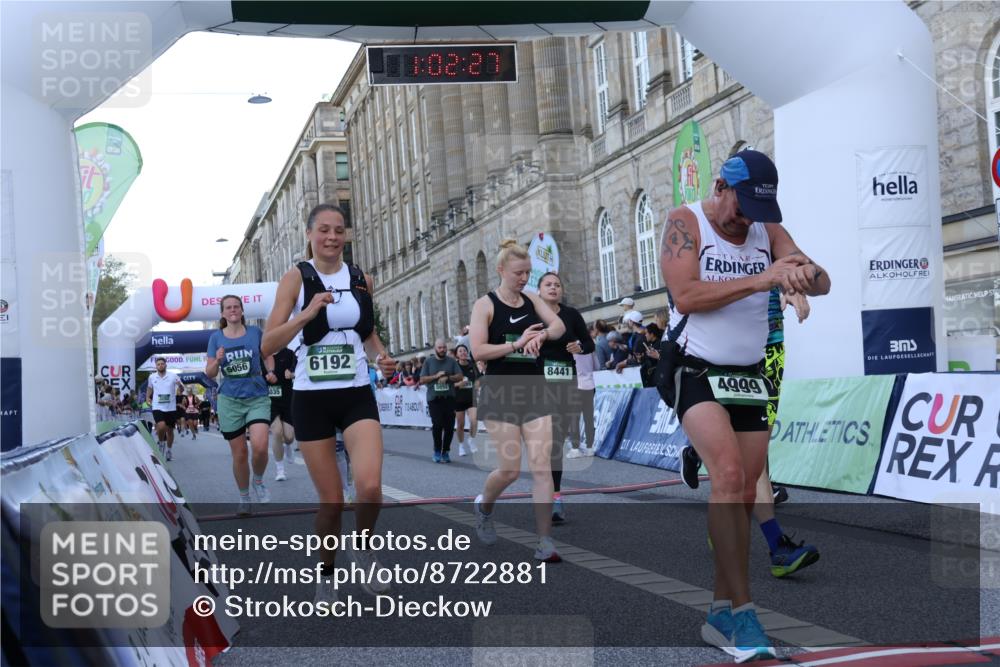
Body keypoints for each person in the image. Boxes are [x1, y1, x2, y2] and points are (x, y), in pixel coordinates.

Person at [657, 149, 830, 662]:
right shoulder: (684, 223)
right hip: (694, 368)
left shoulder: (767, 229)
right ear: (719, 186)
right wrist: (765, 279)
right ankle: (747, 617)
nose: (746, 218)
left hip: (749, 377)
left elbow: (820, 279)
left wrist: (803, 277)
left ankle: (718, 613)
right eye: (741, 204)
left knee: (742, 495)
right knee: (729, 477)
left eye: (758, 208)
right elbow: (685, 295)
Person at [261, 203, 396, 605]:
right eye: (324, 230)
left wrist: (381, 357)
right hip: (311, 398)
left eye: (339, 230)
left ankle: (365, 549)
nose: (332, 238)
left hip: (356, 392)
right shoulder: (295, 278)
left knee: (370, 488)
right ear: (309, 234)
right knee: (332, 502)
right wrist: (307, 314)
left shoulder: (360, 279)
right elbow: (268, 343)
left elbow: (367, 334)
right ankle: (326, 572)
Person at [681, 288, 820, 577]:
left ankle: (775, 547)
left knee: (756, 455)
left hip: (770, 350)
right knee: (732, 455)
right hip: (720, 353)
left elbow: (790, 265)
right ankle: (698, 451)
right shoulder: (705, 245)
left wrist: (792, 289)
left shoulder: (770, 241)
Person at [470, 239, 566, 563]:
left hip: (534, 388)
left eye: (527, 273)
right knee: (510, 470)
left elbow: (559, 325)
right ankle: (484, 505)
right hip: (500, 390)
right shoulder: (485, 305)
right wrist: (516, 345)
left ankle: (544, 542)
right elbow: (478, 351)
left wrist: (542, 335)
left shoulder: (533, 300)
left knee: (542, 468)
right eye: (518, 273)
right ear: (501, 270)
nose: (523, 279)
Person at [536, 272, 595, 523]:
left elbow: (589, 343)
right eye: (548, 284)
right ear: (539, 290)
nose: (553, 288)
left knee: (556, 442)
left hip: (565, 380)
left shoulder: (571, 315)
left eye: (557, 284)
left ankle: (556, 497)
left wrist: (579, 347)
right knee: (542, 442)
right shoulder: (532, 313)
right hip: (537, 382)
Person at [206, 295, 273, 515]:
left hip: (257, 395)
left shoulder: (255, 333)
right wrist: (216, 360)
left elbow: (267, 354)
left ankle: (260, 481)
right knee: (240, 453)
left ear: (242, 311)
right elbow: (210, 372)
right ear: (223, 314)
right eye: (228, 308)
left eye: (236, 307)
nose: (233, 310)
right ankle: (244, 497)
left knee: (261, 446)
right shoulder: (216, 338)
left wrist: (270, 371)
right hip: (230, 399)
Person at [419, 338, 464, 463]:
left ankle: (446, 451)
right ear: (435, 349)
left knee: (449, 427)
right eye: (440, 347)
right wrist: (436, 376)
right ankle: (437, 450)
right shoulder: (429, 362)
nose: (442, 349)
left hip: (449, 398)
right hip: (434, 399)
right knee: (437, 425)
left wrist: (448, 378)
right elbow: (421, 380)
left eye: (444, 347)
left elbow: (460, 376)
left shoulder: (451, 361)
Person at [266, 343, 298, 481]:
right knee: (277, 432)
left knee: (289, 437)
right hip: (269, 401)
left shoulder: (289, 354)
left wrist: (292, 374)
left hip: (287, 399)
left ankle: (288, 445)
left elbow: (301, 370)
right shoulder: (263, 357)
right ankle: (280, 470)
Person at [146, 358, 184, 460]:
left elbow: (182, 389)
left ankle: (169, 450)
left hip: (170, 407)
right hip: (157, 406)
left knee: (170, 431)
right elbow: (149, 388)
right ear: (156, 366)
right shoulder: (152, 377)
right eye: (158, 364)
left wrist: (180, 385)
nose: (160, 365)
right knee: (161, 426)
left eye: (162, 364)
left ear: (166, 365)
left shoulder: (173, 376)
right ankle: (161, 443)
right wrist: (147, 398)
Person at [569, 325, 598, 456]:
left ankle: (575, 448)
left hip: (576, 385)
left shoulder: (570, 347)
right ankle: (590, 447)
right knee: (588, 417)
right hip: (590, 384)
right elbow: (597, 365)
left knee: (574, 418)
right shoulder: (589, 347)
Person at [453, 344, 480, 457]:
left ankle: (471, 440)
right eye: (460, 351)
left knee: (474, 420)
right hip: (458, 399)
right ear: (457, 355)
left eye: (464, 350)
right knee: (460, 424)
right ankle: (461, 445)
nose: (463, 352)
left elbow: (478, 379)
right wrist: (459, 384)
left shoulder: (472, 365)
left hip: (471, 398)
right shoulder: (454, 367)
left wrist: (477, 384)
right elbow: (450, 384)